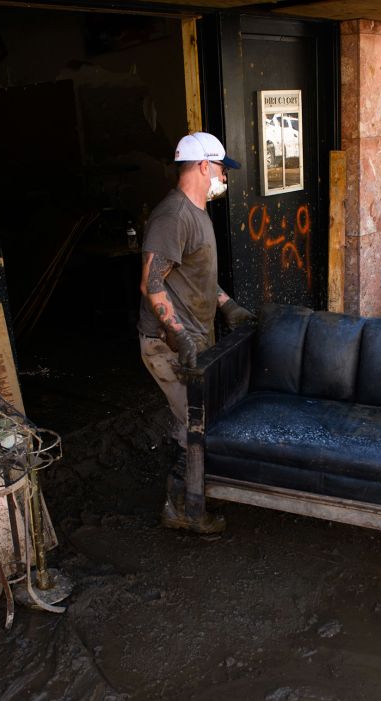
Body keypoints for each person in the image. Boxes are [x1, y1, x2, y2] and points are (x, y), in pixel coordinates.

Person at [138, 131, 255, 532]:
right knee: (194, 426)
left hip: (196, 337)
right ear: (204, 165)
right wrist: (180, 337)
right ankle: (182, 510)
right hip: (168, 345)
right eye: (222, 167)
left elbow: (195, 278)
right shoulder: (172, 216)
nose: (224, 175)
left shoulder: (198, 213)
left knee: (198, 419)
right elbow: (151, 284)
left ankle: (191, 496)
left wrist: (229, 307)